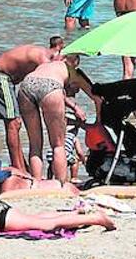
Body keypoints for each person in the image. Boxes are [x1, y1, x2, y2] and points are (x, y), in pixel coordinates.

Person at [0, 37, 64, 171]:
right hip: (0, 75)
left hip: (7, 79)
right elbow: (48, 82)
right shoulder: (43, 58)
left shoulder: (44, 54)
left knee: (15, 124)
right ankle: (18, 167)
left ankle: (22, 165)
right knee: (13, 124)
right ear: (58, 49)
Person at [19, 54, 99, 183]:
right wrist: (98, 122)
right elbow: (97, 98)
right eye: (77, 89)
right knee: (58, 146)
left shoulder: (48, 66)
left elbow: (58, 92)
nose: (77, 92)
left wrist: (74, 107)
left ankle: (36, 184)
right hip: (51, 87)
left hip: (26, 84)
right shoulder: (75, 73)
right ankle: (61, 185)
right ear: (75, 63)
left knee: (35, 145)